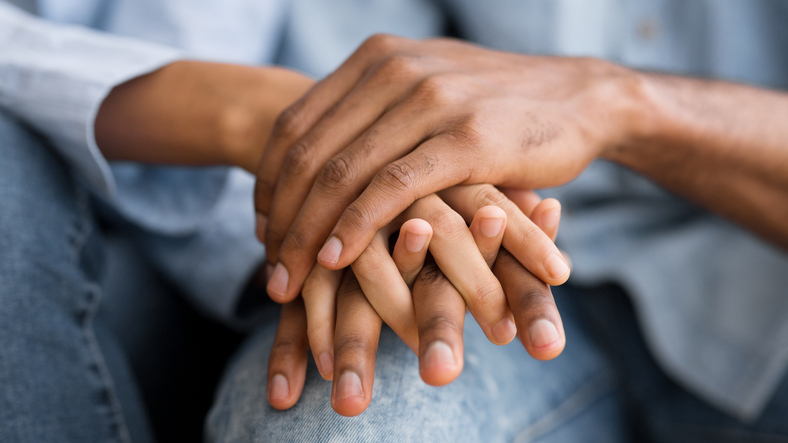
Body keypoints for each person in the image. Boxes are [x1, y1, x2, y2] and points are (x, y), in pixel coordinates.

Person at [208, 0, 788, 441]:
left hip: (763, 298)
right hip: (477, 253)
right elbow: (355, 96)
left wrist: (618, 105)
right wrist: (382, 194)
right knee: (343, 425)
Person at [0, 0, 565, 441]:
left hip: (496, 244)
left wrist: (331, 178)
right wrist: (269, 125)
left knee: (347, 425)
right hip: (162, 230)